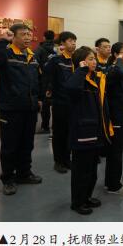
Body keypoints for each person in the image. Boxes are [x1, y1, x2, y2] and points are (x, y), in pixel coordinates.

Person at [0, 23, 43, 196]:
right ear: (14, 36)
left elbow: (37, 79)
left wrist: (38, 98)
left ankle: (24, 173)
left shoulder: (32, 56)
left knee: (27, 143)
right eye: (23, 34)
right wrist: (3, 41)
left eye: (29, 34)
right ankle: (8, 179)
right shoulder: (6, 54)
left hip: (30, 108)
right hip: (11, 108)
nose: (27, 38)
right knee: (10, 146)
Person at [64, 46, 110, 215]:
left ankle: (87, 197)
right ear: (81, 62)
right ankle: (77, 202)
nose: (94, 61)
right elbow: (71, 89)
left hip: (95, 131)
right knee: (80, 171)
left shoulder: (95, 79)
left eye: (94, 58)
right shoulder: (77, 79)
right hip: (82, 132)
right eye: (90, 59)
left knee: (91, 170)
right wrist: (81, 70)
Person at [44, 31, 77, 174]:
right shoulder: (56, 59)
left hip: (73, 102)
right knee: (59, 133)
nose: (73, 43)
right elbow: (46, 73)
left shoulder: (76, 59)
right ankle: (58, 161)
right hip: (60, 102)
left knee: (70, 132)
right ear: (62, 43)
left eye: (75, 40)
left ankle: (67, 158)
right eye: (70, 41)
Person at [103, 42, 123, 197]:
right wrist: (120, 60)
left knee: (118, 151)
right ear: (115, 55)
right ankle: (113, 185)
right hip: (116, 118)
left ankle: (113, 180)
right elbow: (120, 71)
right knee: (115, 153)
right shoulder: (115, 69)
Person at [34, 29, 57, 133]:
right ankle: (56, 126)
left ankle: (45, 126)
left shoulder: (40, 49)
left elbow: (34, 62)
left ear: (44, 37)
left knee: (46, 105)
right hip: (57, 79)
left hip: (45, 80)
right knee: (57, 104)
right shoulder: (58, 48)